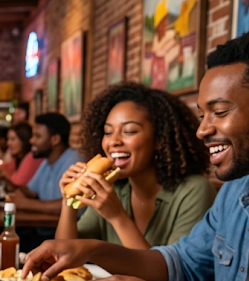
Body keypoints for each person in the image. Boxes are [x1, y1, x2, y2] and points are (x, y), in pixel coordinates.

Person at [22, 29, 249, 281]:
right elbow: (180, 264)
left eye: (220, 112)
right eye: (203, 114)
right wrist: (90, 249)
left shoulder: (199, 189)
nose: (203, 130)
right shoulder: (236, 194)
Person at [56, 82, 215, 249]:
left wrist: (117, 216)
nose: (114, 141)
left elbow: (175, 272)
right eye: (108, 132)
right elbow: (65, 254)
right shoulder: (113, 188)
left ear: (160, 139)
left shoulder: (194, 190)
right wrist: (69, 201)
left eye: (129, 131)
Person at [7, 113, 83, 215]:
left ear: (55, 139)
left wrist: (25, 204)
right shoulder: (47, 162)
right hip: (44, 228)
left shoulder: (74, 161)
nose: (31, 140)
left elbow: (71, 203)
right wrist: (5, 183)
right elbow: (31, 192)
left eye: (37, 136)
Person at [6, 123, 42, 187]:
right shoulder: (18, 158)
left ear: (24, 140)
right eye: (8, 139)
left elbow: (17, 184)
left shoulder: (32, 157)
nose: (8, 143)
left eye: (13, 139)